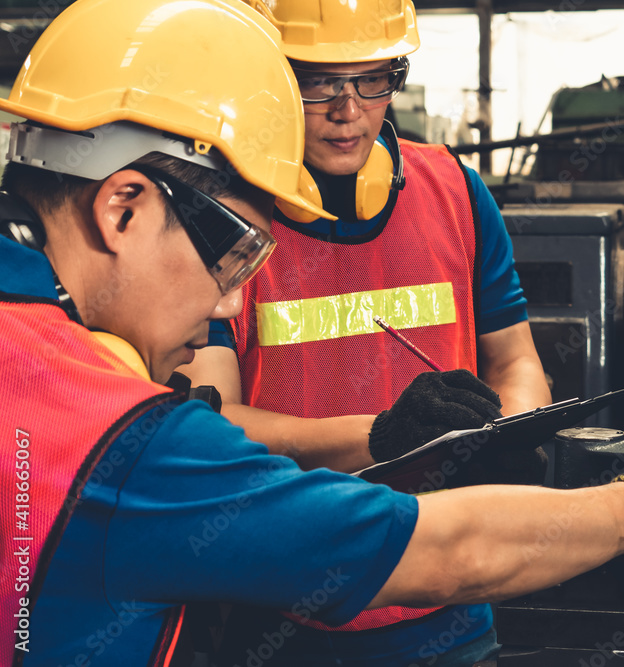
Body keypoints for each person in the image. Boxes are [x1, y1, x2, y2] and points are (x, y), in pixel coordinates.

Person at [0, 1, 624, 666]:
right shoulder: (122, 439)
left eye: (372, 79)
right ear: (123, 208)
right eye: (230, 251)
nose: (232, 302)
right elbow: (440, 550)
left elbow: (512, 359)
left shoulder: (40, 355)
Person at [179, 1, 555, 660]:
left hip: (453, 601)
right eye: (318, 81)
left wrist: (504, 431)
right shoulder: (224, 217)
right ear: (269, 77)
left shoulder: (456, 192)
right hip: (284, 608)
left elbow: (516, 360)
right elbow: (209, 426)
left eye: (371, 78)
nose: (347, 108)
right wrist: (383, 437)